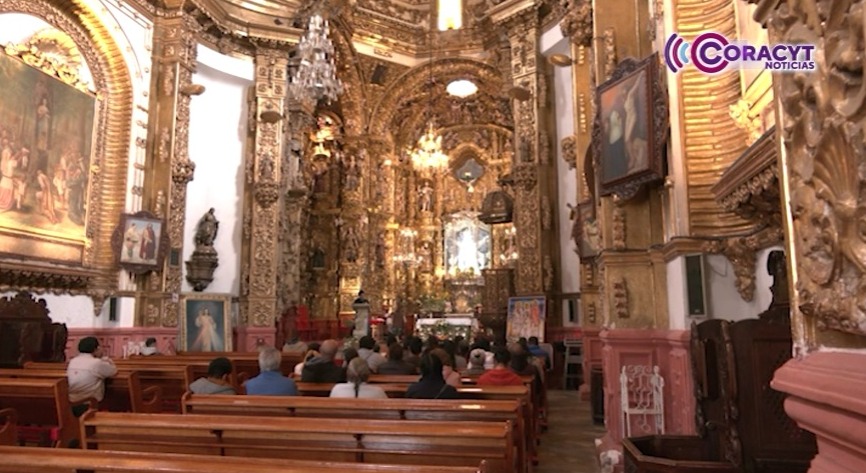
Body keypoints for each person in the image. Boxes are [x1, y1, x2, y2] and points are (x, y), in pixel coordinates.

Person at [67, 336, 117, 415]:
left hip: (71, 400)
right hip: (90, 402)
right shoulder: (96, 363)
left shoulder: (73, 361)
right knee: (115, 398)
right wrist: (107, 360)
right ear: (96, 349)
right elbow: (113, 371)